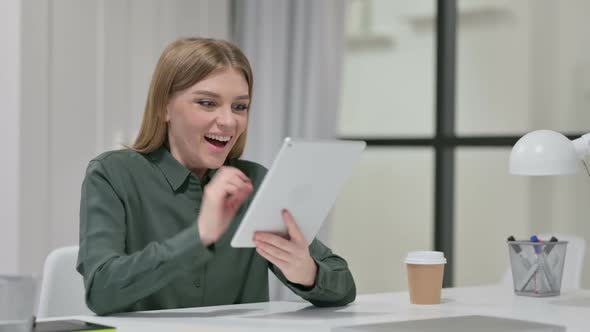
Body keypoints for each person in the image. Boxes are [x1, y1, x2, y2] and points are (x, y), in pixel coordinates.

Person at [76, 37, 356, 315]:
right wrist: (199, 237)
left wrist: (307, 271)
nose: (228, 121)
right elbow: (101, 291)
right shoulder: (112, 175)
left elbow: (344, 285)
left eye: (239, 107)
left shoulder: (255, 182)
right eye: (208, 103)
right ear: (164, 107)